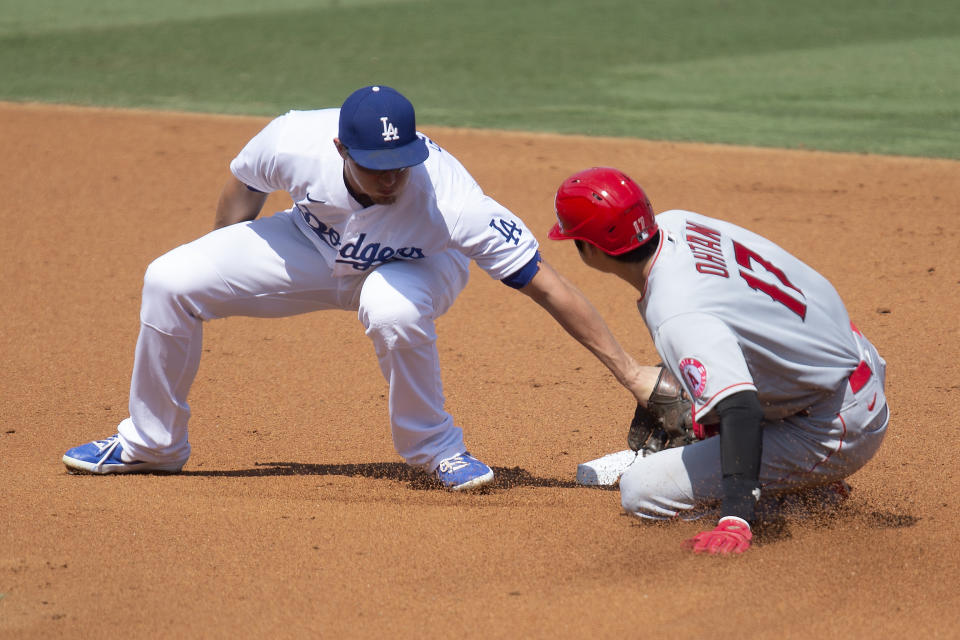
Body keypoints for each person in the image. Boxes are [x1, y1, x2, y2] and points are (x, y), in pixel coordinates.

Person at [62, 86, 657, 491]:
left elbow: (549, 287)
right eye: (376, 164)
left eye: (402, 160)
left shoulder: (454, 204)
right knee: (170, 278)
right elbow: (243, 186)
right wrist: (221, 256)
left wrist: (631, 373)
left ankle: (435, 449)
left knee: (391, 307)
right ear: (341, 148)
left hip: (423, 266)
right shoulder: (294, 138)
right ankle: (152, 444)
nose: (393, 175)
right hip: (313, 246)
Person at [548, 166, 889, 554]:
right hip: (850, 358)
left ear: (590, 249)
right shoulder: (679, 222)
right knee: (703, 398)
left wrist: (736, 515)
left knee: (640, 491)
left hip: (835, 426)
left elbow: (740, 408)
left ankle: (798, 494)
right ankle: (788, 469)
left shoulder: (676, 313)